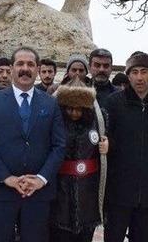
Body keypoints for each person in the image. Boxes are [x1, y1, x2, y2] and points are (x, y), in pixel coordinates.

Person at [0, 47, 66, 242]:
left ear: (37, 69)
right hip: (1, 191)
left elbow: (59, 146)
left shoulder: (51, 104)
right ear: (11, 68)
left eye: (30, 64)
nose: (25, 69)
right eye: (20, 64)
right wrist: (7, 178)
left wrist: (41, 179)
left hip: (38, 194)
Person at [103, 52, 148, 242]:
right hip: (119, 188)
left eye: (144, 71)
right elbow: (107, 139)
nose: (139, 77)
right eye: (134, 72)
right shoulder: (114, 103)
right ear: (128, 75)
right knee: (113, 237)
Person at [49, 81, 108, 242]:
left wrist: (109, 145)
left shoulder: (98, 120)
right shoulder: (54, 123)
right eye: (70, 108)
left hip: (88, 191)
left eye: (80, 109)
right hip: (61, 191)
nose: (75, 113)